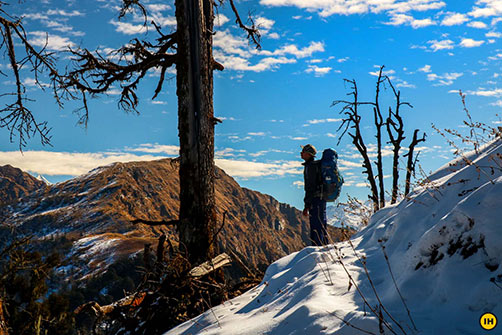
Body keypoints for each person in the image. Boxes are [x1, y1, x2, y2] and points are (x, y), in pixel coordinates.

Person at [301, 144, 328, 246]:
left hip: (315, 199)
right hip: (322, 198)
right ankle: (324, 246)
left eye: (303, 152)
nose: (301, 154)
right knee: (322, 223)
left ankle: (317, 249)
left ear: (308, 154)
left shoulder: (311, 167)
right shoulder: (316, 166)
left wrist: (306, 206)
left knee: (316, 225)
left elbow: (310, 187)